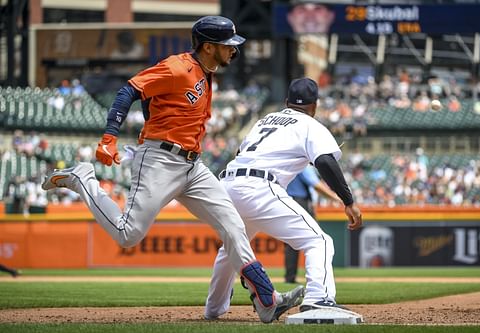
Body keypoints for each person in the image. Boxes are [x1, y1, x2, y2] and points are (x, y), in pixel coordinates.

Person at [41, 15, 304, 324]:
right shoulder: (176, 67)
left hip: (193, 166)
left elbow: (153, 101)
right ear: (208, 47)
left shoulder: (206, 72)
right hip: (159, 161)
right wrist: (109, 137)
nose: (234, 50)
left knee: (234, 226)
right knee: (128, 235)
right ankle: (83, 178)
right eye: (227, 45)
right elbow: (130, 90)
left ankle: (266, 300)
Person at [205, 77, 363, 317]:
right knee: (319, 241)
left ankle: (214, 309)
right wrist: (348, 202)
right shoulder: (310, 124)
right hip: (258, 187)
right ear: (315, 105)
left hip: (227, 184)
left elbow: (240, 152)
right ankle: (319, 298)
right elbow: (325, 161)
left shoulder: (263, 121)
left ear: (287, 102)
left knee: (233, 248)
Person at [284, 165, 341, 284]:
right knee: (318, 239)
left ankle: (290, 277)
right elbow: (316, 185)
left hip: (291, 200)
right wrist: (337, 198)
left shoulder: (291, 163)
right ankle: (318, 278)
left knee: (292, 242)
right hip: (299, 201)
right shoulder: (302, 165)